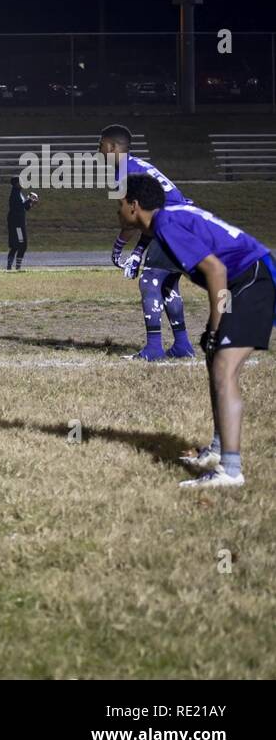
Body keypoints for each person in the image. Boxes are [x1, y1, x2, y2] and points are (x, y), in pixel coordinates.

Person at [118, 174, 273, 488]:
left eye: (120, 203)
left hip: (255, 282)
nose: (116, 209)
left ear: (134, 207)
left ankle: (230, 470)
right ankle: (218, 449)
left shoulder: (165, 225)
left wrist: (216, 326)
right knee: (215, 360)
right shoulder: (169, 219)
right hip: (245, 281)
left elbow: (216, 270)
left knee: (224, 367)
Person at [101, 123, 195, 361]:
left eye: (100, 146)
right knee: (167, 284)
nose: (98, 151)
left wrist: (119, 248)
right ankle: (182, 345)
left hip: (174, 224)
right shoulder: (138, 165)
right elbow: (151, 215)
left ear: (112, 147)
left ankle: (154, 349)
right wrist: (139, 250)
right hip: (185, 222)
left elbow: (133, 219)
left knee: (149, 281)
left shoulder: (123, 173)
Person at [6, 176, 39, 270]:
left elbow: (25, 208)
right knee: (22, 245)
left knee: (16, 245)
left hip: (19, 223)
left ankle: (10, 266)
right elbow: (20, 206)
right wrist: (30, 199)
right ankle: (16, 267)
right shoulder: (15, 194)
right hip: (17, 225)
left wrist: (32, 203)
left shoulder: (19, 193)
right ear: (16, 184)